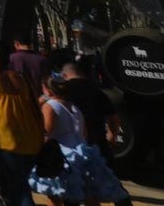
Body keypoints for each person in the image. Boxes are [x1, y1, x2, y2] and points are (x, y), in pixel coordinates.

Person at [28, 74, 131, 206]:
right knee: (89, 194)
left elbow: (46, 131)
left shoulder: (50, 106)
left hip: (62, 156)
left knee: (57, 194)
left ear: (47, 90)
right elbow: (84, 133)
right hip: (83, 154)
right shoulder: (74, 107)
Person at [0, 40, 43, 206]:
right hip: (30, 140)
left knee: (18, 191)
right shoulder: (22, 79)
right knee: (19, 185)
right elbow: (36, 107)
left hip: (5, 142)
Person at [10, 32, 51, 100]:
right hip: (38, 100)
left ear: (17, 43)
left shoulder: (11, 58)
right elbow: (47, 81)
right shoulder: (42, 59)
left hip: (18, 100)